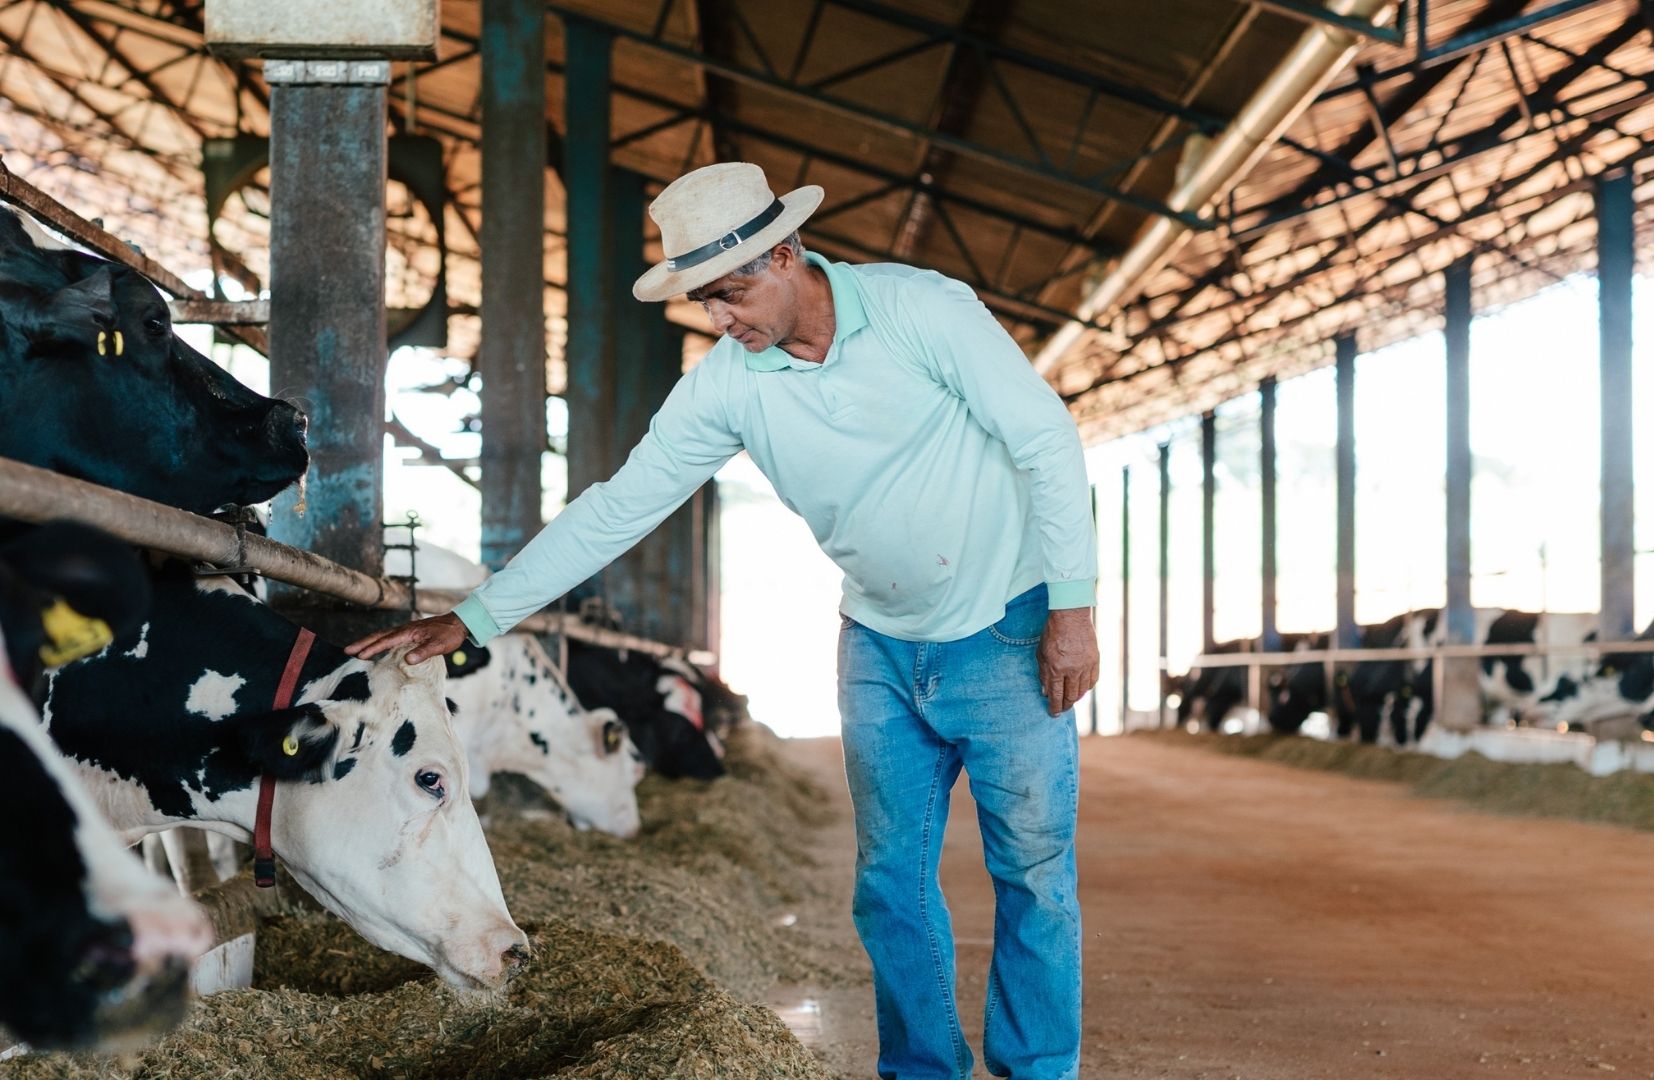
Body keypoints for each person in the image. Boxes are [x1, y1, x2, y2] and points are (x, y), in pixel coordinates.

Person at [349, 161, 1097, 1080]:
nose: (718, 320)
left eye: (730, 294)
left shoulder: (923, 311)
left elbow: (1045, 439)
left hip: (1007, 626)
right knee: (889, 884)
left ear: (785, 255)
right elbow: (618, 506)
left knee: (1032, 874)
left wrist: (1073, 610)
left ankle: (1040, 1070)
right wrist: (476, 617)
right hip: (878, 643)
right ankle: (921, 1070)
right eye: (703, 300)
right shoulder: (729, 385)